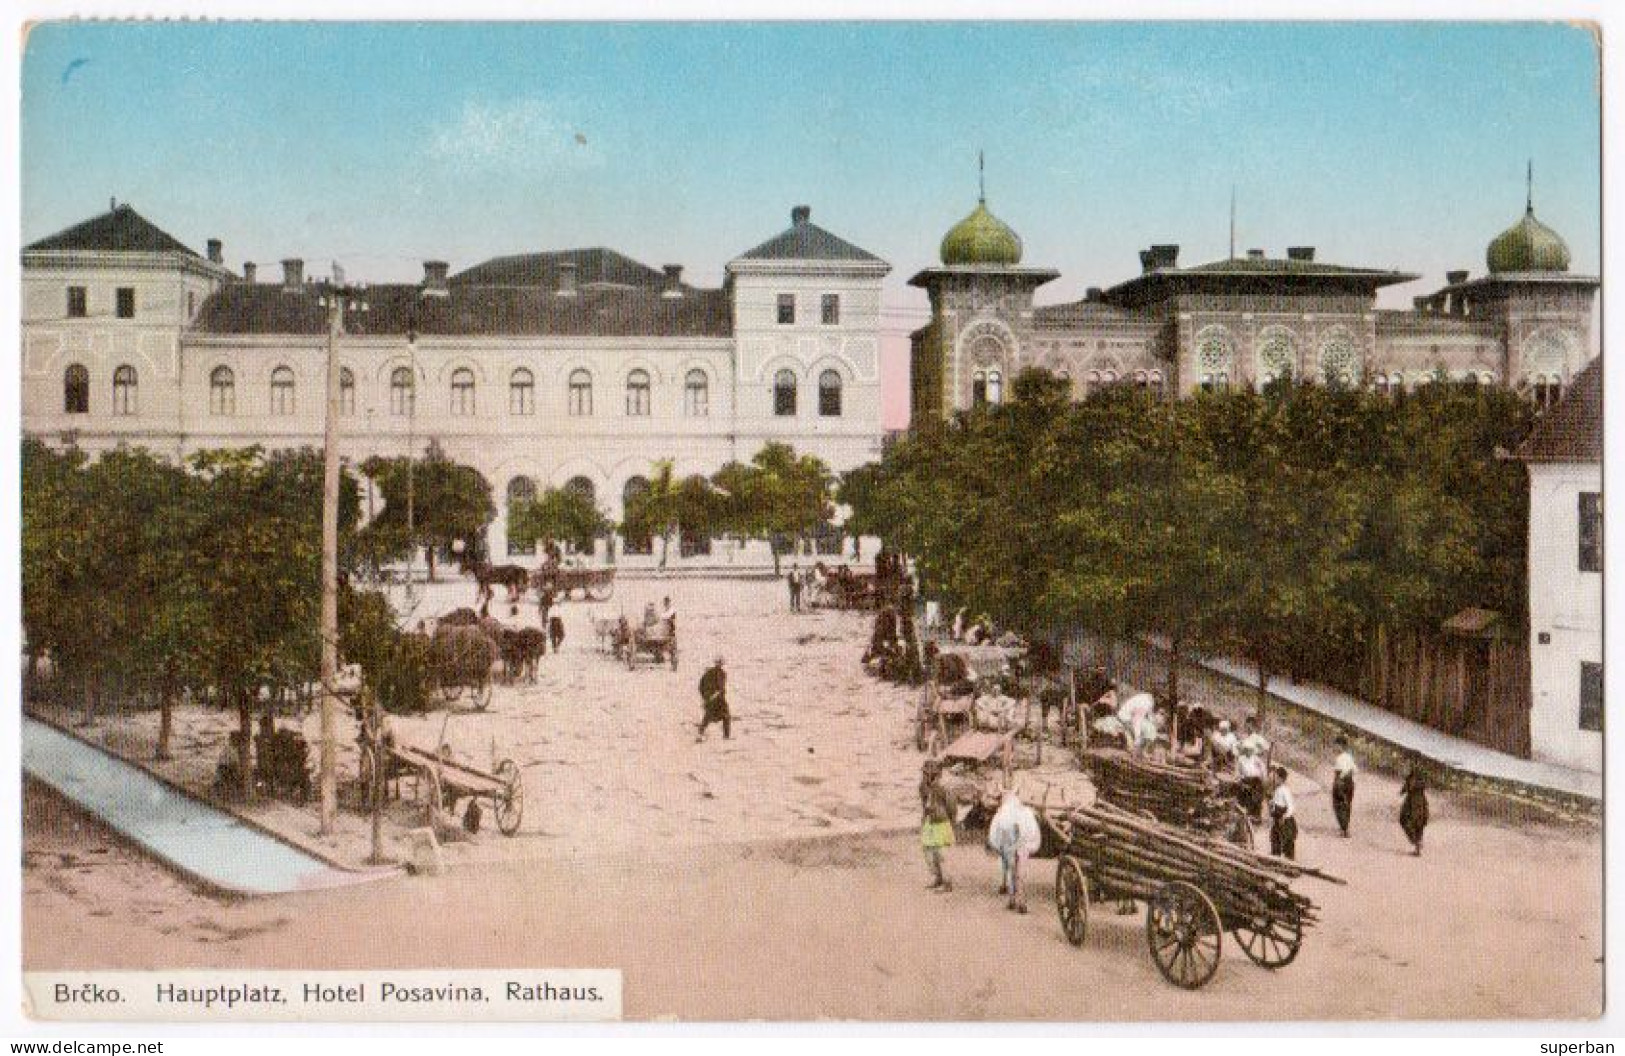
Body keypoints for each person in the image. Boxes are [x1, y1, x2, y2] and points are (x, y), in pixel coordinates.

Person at [987, 787, 1042, 913]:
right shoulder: (1026, 813)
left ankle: (1012, 899)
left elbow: (997, 835)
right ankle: (1021, 900)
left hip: (1008, 837)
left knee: (1011, 868)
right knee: (1020, 870)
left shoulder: (1003, 814)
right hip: (1025, 839)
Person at [919, 759, 955, 892]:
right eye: (926, 773)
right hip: (930, 821)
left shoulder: (944, 788)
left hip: (941, 822)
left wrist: (951, 822)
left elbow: (951, 807)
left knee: (942, 854)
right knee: (929, 852)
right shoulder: (923, 787)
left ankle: (947, 883)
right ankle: (938, 878)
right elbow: (924, 804)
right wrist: (924, 819)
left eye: (930, 774)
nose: (927, 776)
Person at [1268, 765, 1297, 860]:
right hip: (1277, 819)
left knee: (1287, 843)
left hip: (1284, 821)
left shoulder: (1285, 790)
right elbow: (1276, 804)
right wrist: (1272, 804)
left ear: (1281, 779)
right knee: (1275, 841)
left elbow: (1291, 807)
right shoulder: (1277, 790)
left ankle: (1289, 863)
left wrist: (1285, 816)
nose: (1274, 780)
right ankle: (1275, 860)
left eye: (1275, 778)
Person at [697, 656, 730, 741]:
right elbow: (701, 686)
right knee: (708, 716)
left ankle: (726, 736)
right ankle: (700, 732)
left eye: (721, 663)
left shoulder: (723, 673)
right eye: (718, 662)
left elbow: (722, 686)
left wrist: (722, 692)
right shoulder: (709, 673)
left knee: (726, 716)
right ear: (715, 663)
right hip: (711, 699)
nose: (719, 664)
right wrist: (706, 696)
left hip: (720, 699)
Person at [1400, 766, 1429, 856]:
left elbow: (1405, 790)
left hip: (1412, 804)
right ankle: (1417, 848)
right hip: (1422, 804)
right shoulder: (1421, 781)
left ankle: (1416, 842)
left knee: (1405, 821)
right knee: (1419, 825)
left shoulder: (1411, 779)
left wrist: (1405, 788)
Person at [1331, 735, 1357, 837]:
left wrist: (1338, 781)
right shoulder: (1349, 757)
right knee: (1347, 805)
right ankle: (1345, 827)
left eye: (1336, 745)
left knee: (1338, 805)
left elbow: (1338, 772)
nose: (1335, 747)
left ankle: (1344, 829)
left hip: (1341, 782)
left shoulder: (1339, 758)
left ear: (1341, 746)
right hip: (1350, 783)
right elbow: (1355, 769)